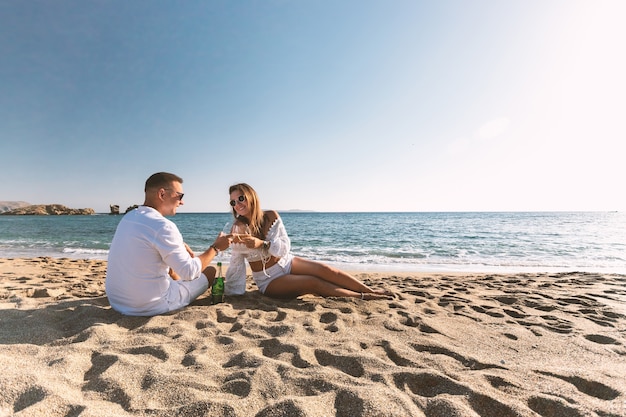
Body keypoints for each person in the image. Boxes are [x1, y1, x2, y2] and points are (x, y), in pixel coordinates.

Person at [224, 183, 392, 300]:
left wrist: (261, 244)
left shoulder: (271, 216)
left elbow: (283, 248)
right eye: (233, 202)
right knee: (312, 283)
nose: (238, 204)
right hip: (269, 280)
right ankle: (363, 296)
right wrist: (232, 291)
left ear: (251, 196)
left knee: (327, 270)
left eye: (241, 198)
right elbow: (236, 262)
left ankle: (370, 290)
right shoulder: (238, 228)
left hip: (287, 262)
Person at [105, 172, 231, 316]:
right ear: (162, 194)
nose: (182, 202)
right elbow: (190, 272)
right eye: (180, 196)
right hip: (150, 305)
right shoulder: (163, 226)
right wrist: (216, 247)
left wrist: (180, 244)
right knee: (210, 271)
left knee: (171, 268)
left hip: (117, 301)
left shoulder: (129, 217)